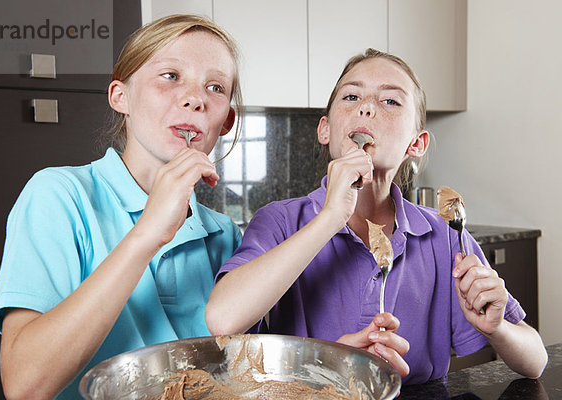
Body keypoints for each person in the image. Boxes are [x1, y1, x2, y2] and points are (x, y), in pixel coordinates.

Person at [205, 48, 548, 384]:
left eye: (390, 101)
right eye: (351, 97)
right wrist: (330, 217)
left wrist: (498, 327)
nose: (367, 108)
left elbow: (535, 361)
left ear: (417, 144)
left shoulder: (442, 236)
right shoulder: (279, 221)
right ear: (325, 129)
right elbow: (223, 319)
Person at [0, 14, 243, 400]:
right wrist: (148, 232)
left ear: (225, 120)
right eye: (171, 76)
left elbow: (238, 371)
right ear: (120, 96)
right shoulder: (59, 196)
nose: (195, 98)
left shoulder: (224, 234)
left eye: (215, 86)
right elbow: (24, 385)